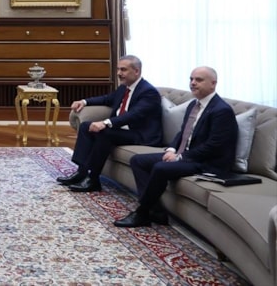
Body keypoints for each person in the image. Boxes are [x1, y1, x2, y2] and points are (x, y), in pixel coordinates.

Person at [114, 66, 237, 227]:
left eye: (198, 80)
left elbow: (214, 146)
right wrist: (172, 149)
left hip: (207, 162)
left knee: (160, 167)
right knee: (138, 160)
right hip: (188, 155)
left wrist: (180, 157)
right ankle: (155, 210)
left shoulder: (222, 110)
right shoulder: (194, 104)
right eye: (191, 79)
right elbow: (184, 132)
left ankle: (142, 212)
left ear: (213, 84)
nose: (193, 83)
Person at [57, 55, 162, 193]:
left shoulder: (148, 92)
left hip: (140, 135)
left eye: (123, 70)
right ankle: (81, 172)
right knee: (85, 126)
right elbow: (107, 99)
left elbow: (134, 115)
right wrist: (84, 101)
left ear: (136, 71)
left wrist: (106, 123)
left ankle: (93, 179)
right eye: (118, 69)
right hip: (121, 130)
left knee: (104, 132)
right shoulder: (124, 88)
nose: (119, 73)